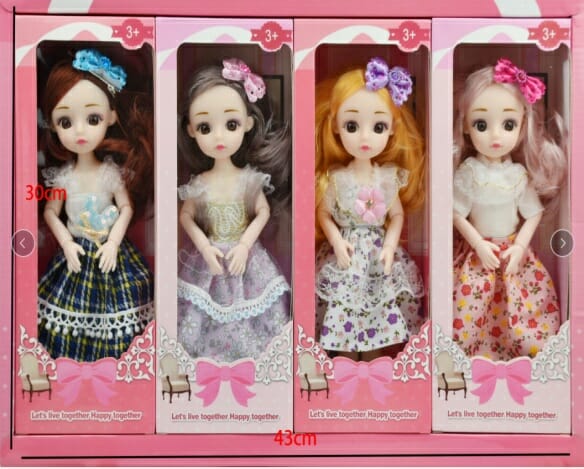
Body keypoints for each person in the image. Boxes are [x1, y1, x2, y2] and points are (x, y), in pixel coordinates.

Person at [37, 49, 154, 362]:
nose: (79, 131)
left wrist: (113, 242)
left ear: (111, 117)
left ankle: (120, 372)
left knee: (121, 306)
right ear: (52, 124)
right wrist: (66, 243)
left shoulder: (110, 173)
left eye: (93, 119)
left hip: (110, 252)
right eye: (65, 121)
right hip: (76, 252)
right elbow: (50, 212)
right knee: (69, 311)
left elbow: (126, 208)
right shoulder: (63, 177)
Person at [452, 58, 567, 361]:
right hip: (479, 254)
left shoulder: (518, 174)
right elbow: (455, 213)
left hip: (513, 253)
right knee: (473, 307)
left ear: (522, 126)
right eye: (481, 124)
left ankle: (520, 363)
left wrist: (519, 246)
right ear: (466, 126)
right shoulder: (469, 172)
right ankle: (478, 360)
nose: (495, 136)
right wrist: (478, 244)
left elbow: (533, 213)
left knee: (521, 306)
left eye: (508, 124)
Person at [176, 58, 291, 362]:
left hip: (246, 259)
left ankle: (253, 366)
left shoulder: (249, 179)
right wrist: (204, 246)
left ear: (248, 124)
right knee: (203, 313)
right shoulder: (200, 183)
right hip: (211, 258)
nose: (219, 137)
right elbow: (186, 216)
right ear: (190, 130)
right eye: (205, 127)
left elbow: (263, 212)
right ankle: (209, 366)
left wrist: (244, 244)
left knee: (252, 313)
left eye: (231, 125)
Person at [314, 57, 426, 361]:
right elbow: (323, 214)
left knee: (377, 313)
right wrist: (337, 241)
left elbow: (397, 215)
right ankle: (345, 368)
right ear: (335, 126)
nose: (365, 137)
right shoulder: (336, 178)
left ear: (392, 130)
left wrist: (389, 245)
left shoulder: (387, 177)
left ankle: (374, 370)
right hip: (347, 256)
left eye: (378, 127)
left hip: (378, 256)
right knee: (344, 311)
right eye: (352, 126)